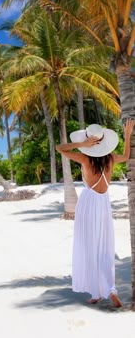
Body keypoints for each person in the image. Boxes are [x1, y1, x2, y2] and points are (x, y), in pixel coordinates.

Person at [55, 119, 134, 308]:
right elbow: (126, 156)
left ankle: (97, 291)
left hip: (88, 204)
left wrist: (82, 145)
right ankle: (108, 290)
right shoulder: (111, 159)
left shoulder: (84, 158)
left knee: (89, 247)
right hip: (103, 203)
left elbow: (60, 148)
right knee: (104, 246)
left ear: (91, 142)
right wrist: (127, 135)